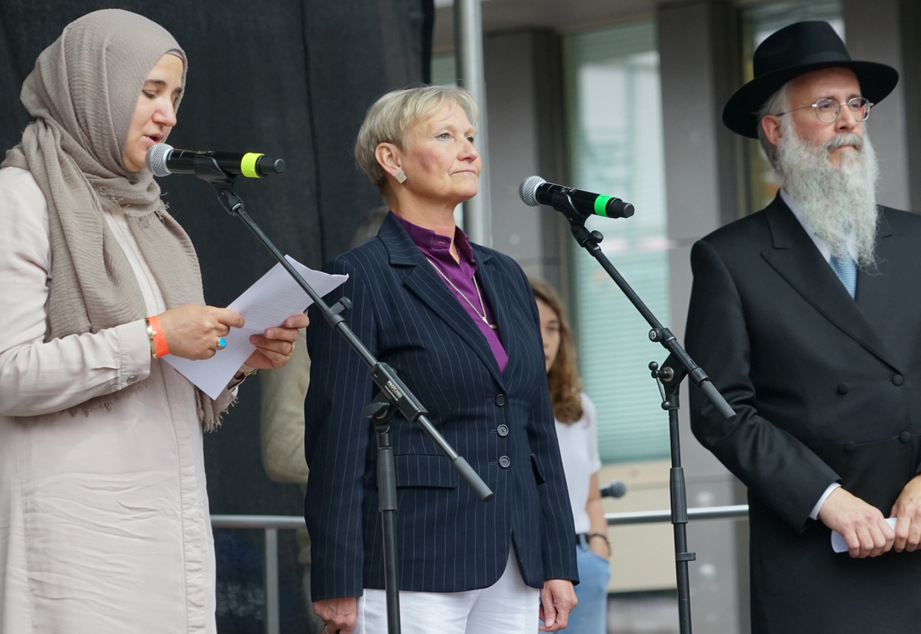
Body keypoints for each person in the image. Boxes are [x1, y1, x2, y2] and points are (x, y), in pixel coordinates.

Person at [0, 10, 307, 633]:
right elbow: (9, 374)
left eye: (175, 96)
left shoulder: (145, 214)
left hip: (173, 525)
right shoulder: (21, 197)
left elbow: (158, 361)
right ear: (93, 88)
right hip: (77, 538)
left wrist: (234, 355)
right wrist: (158, 336)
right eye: (149, 93)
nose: (168, 114)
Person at [685, 20, 921, 633]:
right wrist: (825, 499)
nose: (849, 120)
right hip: (813, 549)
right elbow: (722, 408)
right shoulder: (730, 256)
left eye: (856, 103)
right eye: (825, 105)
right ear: (775, 129)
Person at [303, 85, 578, 634]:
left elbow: (534, 428)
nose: (470, 151)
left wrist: (557, 559)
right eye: (446, 136)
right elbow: (336, 438)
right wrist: (337, 576)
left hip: (516, 559)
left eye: (471, 137)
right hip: (411, 558)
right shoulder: (361, 275)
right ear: (392, 159)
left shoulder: (504, 274)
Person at [259, 205, 387, 634]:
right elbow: (280, 452)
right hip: (345, 561)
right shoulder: (307, 332)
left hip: (441, 550)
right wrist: (393, 453)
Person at [531, 277, 610, 634]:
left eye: (553, 328)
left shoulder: (579, 409)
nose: (546, 339)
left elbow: (591, 494)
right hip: (520, 569)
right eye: (534, 325)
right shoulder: (495, 413)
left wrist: (599, 547)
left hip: (581, 563)